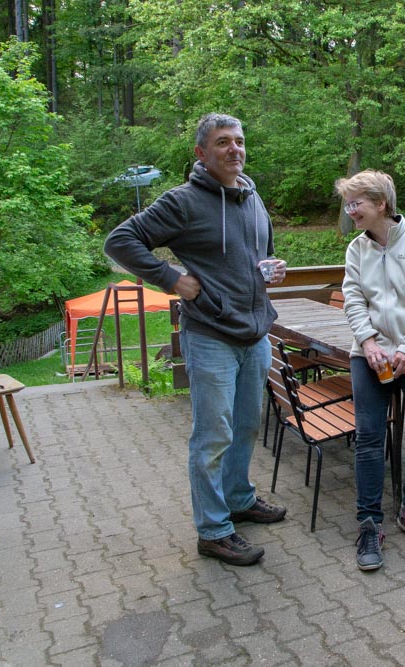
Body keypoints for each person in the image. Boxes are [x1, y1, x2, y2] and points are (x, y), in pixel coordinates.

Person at [104, 113, 287, 567]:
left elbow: (255, 252)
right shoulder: (183, 201)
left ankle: (238, 499)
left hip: (255, 331)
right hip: (210, 335)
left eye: (240, 141)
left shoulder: (251, 194)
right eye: (223, 142)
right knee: (212, 435)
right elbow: (120, 240)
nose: (235, 149)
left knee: (246, 425)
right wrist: (172, 279)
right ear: (201, 153)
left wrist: (269, 267)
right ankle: (213, 530)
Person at [336, 170, 405, 572]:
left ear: (381, 203)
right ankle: (369, 522)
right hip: (369, 352)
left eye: (356, 204)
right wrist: (367, 342)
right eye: (348, 204)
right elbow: (352, 299)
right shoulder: (356, 249)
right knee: (368, 434)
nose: (351, 212)